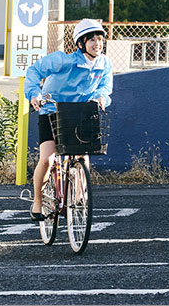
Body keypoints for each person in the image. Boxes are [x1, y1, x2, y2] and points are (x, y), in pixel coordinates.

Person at [24, 18, 113, 222]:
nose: (97, 43)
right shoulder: (63, 60)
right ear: (80, 43)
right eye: (91, 39)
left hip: (81, 112)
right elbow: (34, 71)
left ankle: (80, 197)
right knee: (47, 159)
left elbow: (105, 88)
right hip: (52, 110)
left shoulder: (105, 63)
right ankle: (37, 202)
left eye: (100, 39)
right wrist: (34, 94)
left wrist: (101, 98)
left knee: (83, 155)